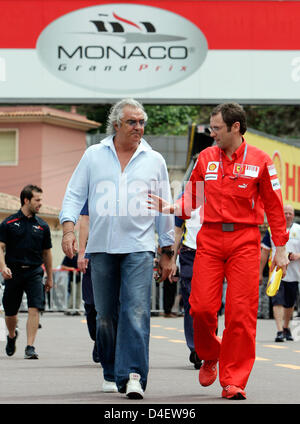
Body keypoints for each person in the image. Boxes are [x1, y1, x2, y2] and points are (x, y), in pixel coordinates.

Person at [148, 102, 289, 400]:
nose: (212, 134)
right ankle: (210, 353)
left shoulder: (261, 161)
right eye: (211, 128)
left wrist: (280, 249)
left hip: (246, 241)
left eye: (216, 128)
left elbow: (275, 208)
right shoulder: (205, 158)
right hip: (209, 239)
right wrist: (174, 208)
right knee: (199, 307)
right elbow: (191, 197)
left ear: (235, 127)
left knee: (241, 314)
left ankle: (233, 381)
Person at [59, 98, 174, 399]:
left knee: (136, 311)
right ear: (116, 125)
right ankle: (111, 370)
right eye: (132, 122)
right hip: (100, 248)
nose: (139, 127)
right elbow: (73, 194)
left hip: (139, 247)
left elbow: (164, 209)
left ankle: (133, 376)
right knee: (105, 314)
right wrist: (69, 228)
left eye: (141, 122)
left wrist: (167, 249)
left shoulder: (155, 160)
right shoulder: (94, 155)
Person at [0, 184, 53, 359]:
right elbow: (0, 247)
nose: (40, 204)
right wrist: (3, 266)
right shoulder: (8, 223)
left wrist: (50, 277)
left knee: (34, 308)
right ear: (26, 200)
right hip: (13, 272)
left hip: (35, 272)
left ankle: (30, 346)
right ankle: (12, 335)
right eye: (37, 200)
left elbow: (47, 253)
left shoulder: (43, 226)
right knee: (10, 312)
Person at [260, 204, 300, 342]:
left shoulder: (298, 230)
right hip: (276, 272)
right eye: (285, 213)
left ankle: (286, 327)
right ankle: (279, 331)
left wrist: (297, 256)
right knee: (277, 300)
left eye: (290, 213)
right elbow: (264, 251)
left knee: (289, 303)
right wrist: (260, 272)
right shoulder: (271, 230)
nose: (288, 215)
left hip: (294, 274)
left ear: (293, 215)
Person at [174, 207, 203, 369]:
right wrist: (171, 259)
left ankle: (207, 342)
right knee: (192, 303)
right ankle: (195, 347)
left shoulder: (219, 191)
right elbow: (177, 231)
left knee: (208, 305)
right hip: (189, 254)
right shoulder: (185, 199)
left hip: (212, 253)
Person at [77, 200, 100, 363]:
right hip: (93, 255)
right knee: (91, 304)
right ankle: (98, 337)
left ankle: (104, 342)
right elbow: (85, 220)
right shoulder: (94, 193)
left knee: (112, 306)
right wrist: (82, 252)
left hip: (117, 255)